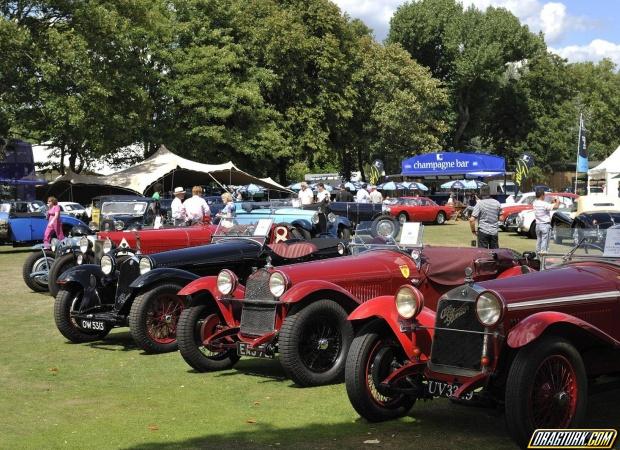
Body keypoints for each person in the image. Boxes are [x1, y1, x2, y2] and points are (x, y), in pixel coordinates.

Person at [533, 188, 560, 253]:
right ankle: (543, 257)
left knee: (539, 241)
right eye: (544, 195)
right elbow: (556, 207)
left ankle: (538, 257)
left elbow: (548, 206)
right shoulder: (544, 204)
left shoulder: (535, 203)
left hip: (538, 225)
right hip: (545, 225)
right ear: (542, 195)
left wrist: (552, 202)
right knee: (545, 243)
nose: (545, 196)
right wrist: (557, 200)